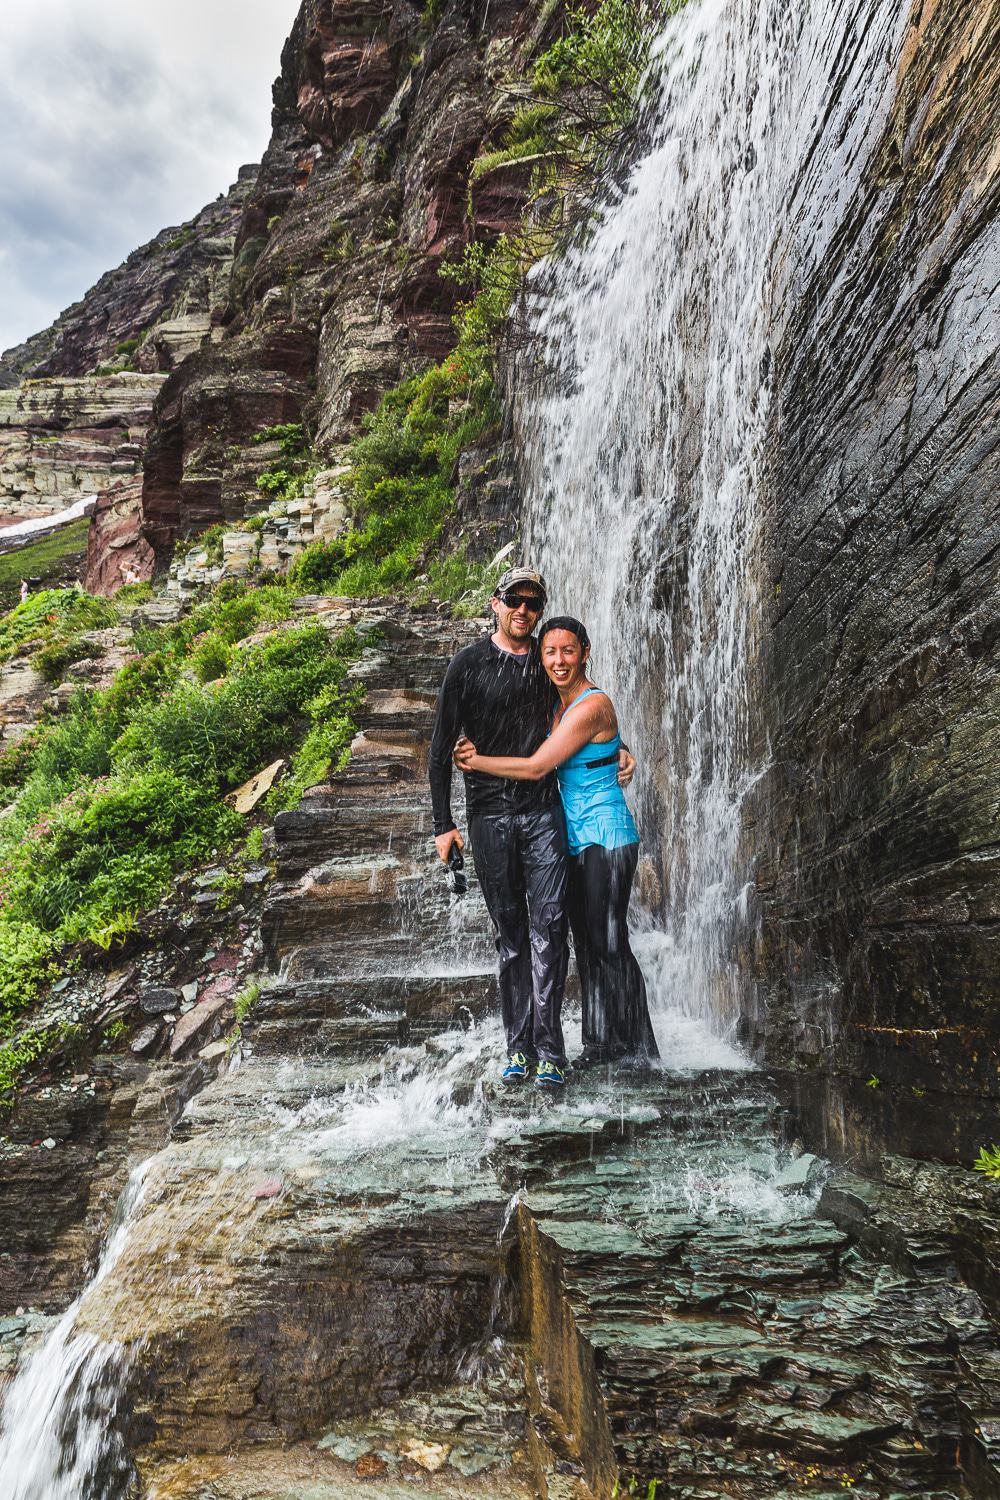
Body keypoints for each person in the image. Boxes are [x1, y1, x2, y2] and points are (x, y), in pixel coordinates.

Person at [428, 567, 635, 1089]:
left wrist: (621, 748)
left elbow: (585, 710)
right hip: (489, 817)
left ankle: (551, 1052)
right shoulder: (468, 664)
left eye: (533, 602)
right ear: (496, 603)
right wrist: (442, 823)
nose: (523, 610)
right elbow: (439, 747)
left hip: (545, 815)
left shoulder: (548, 665)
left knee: (550, 932)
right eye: (514, 600)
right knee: (512, 938)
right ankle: (516, 1047)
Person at [454, 616, 658, 1069]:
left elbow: (536, 767)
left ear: (585, 652)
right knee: (586, 943)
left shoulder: (589, 705)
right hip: (575, 838)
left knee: (609, 942)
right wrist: (622, 753)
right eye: (550, 652)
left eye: (568, 651)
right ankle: (601, 1046)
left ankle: (640, 1050)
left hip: (607, 835)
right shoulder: (557, 705)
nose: (558, 660)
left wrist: (476, 761)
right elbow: (601, 748)